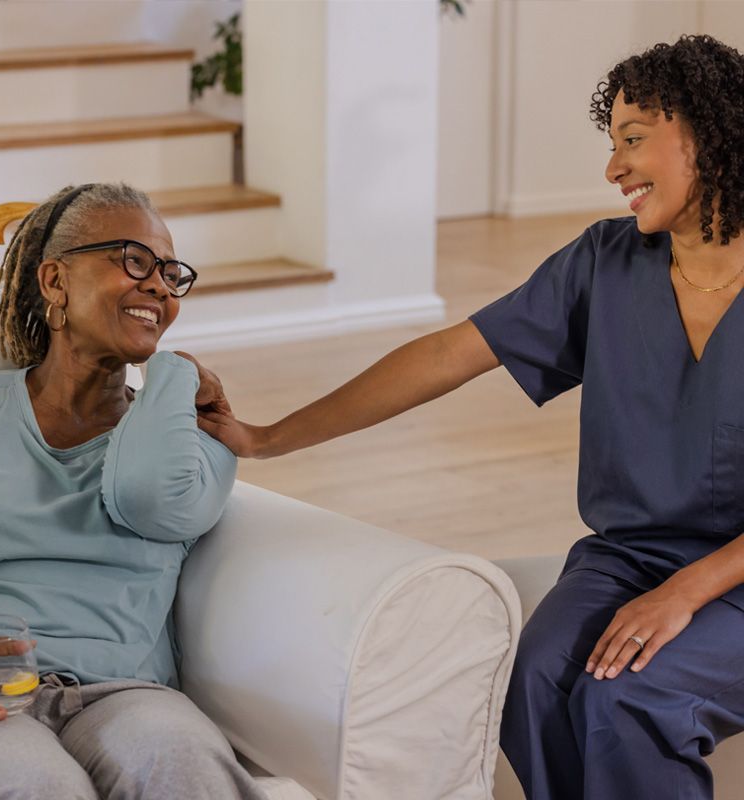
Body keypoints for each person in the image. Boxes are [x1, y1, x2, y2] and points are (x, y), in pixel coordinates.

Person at [203, 35, 744, 799]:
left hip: (733, 575)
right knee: (533, 679)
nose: (612, 167)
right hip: (631, 557)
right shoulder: (606, 262)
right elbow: (449, 355)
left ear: (711, 134)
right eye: (611, 142)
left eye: (633, 139)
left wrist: (686, 592)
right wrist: (269, 437)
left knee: (630, 698)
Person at [0, 183, 268, 800]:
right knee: (36, 782)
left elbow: (149, 497)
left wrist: (175, 373)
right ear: (55, 281)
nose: (159, 287)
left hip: (126, 695)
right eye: (133, 260)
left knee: (182, 757)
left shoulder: (194, 438)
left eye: (172, 274)